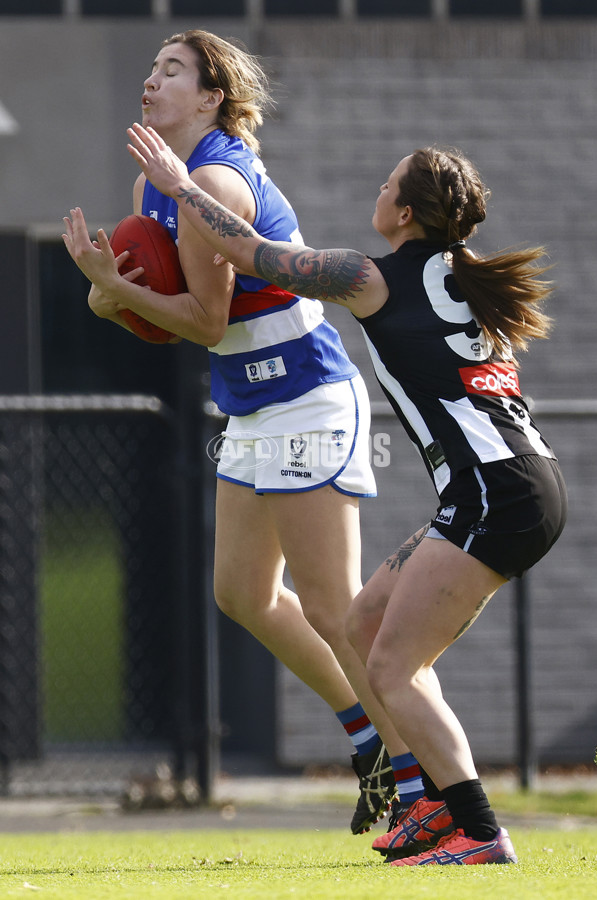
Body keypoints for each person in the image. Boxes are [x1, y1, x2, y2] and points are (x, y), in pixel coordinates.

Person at [122, 126, 567, 866]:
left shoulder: (372, 277)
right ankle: (434, 811)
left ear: (405, 214)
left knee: (394, 667)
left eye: (389, 184)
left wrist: (181, 186)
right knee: (362, 624)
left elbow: (256, 256)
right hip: (507, 487)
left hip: (498, 492)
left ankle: (480, 830)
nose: (379, 191)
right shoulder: (465, 274)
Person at [61, 29, 424, 836]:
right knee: (243, 592)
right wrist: (106, 294)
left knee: (334, 608)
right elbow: (169, 316)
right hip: (253, 402)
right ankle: (369, 745)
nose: (151, 81)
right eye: (151, 68)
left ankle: (419, 785)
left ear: (210, 98)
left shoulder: (214, 179)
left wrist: (117, 297)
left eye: (171, 71)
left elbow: (202, 318)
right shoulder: (155, 183)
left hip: (308, 395)